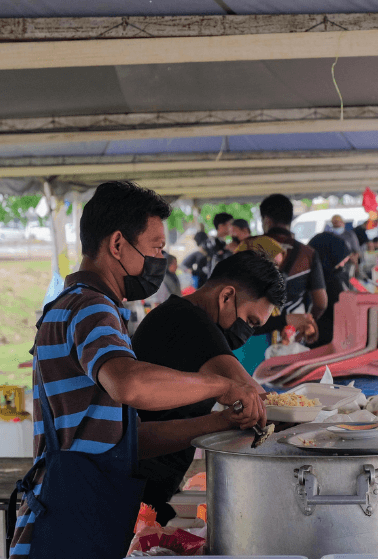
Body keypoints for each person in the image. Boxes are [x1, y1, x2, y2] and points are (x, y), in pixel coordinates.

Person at [8, 182, 265, 559]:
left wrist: (219, 423)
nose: (161, 259)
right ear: (117, 245)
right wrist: (219, 386)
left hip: (75, 513)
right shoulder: (91, 308)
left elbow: (126, 441)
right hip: (68, 526)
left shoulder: (75, 305)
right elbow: (129, 384)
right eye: (157, 248)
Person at [131, 250, 286, 524]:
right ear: (226, 296)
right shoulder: (191, 324)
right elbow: (262, 404)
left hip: (144, 484)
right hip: (133, 487)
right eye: (250, 321)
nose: (247, 332)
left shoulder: (178, 314)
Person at [259, 194, 327, 337]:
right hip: (292, 332)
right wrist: (306, 324)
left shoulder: (249, 249)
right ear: (290, 219)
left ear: (266, 220)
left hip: (256, 334)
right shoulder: (308, 253)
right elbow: (321, 303)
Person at [307, 232, 352, 347]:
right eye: (341, 258)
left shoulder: (334, 274)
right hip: (323, 342)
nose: (344, 262)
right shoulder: (327, 281)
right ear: (328, 255)